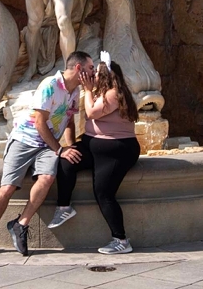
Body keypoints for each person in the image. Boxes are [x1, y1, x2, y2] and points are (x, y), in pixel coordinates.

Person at [0, 50, 94, 257]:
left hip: (47, 145)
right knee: (7, 188)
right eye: (90, 68)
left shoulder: (75, 91)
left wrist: (70, 146)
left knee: (48, 178)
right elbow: (40, 123)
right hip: (25, 139)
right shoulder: (50, 85)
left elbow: (68, 121)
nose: (93, 72)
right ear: (78, 68)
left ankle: (21, 224)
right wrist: (60, 150)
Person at [50, 52, 141, 255]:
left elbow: (91, 112)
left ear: (107, 76)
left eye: (96, 72)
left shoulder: (114, 93)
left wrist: (88, 90)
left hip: (117, 150)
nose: (92, 75)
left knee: (103, 193)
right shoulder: (101, 91)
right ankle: (64, 207)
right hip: (93, 146)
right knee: (67, 160)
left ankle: (121, 240)